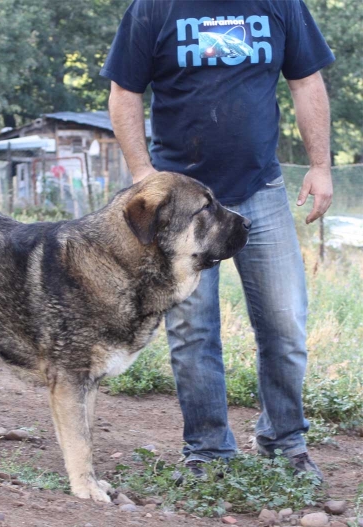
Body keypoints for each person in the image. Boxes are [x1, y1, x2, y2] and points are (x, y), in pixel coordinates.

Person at [100, 0, 335, 478]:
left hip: (260, 191)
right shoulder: (153, 9)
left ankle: (283, 442)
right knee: (192, 333)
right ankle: (208, 451)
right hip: (182, 208)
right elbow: (124, 91)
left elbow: (307, 81)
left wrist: (320, 166)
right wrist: (145, 175)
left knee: (285, 324)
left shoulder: (281, 4)